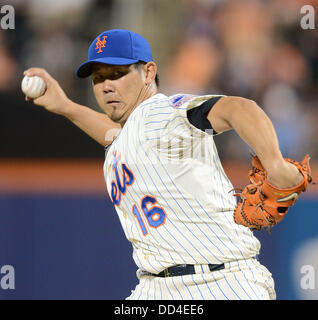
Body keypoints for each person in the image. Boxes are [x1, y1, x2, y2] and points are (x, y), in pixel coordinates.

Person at [24, 29, 305, 300]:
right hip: (157, 286)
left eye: (117, 74)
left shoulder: (163, 112)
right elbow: (116, 136)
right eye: (99, 78)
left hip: (219, 283)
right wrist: (65, 106)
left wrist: (275, 165)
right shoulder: (133, 132)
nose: (107, 85)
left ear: (148, 72)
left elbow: (239, 109)